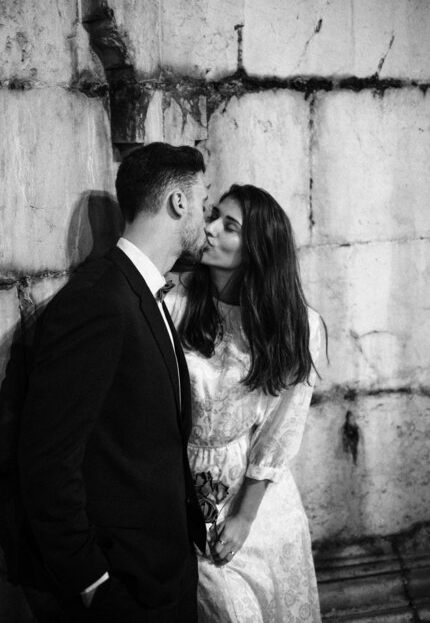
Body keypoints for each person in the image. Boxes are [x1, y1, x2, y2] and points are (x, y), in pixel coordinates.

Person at [18, 142, 208, 622]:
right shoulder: (98, 300)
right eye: (203, 204)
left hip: (168, 571)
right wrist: (94, 585)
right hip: (126, 588)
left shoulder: (143, 291)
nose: (205, 222)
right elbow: (48, 461)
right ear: (178, 203)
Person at [166, 184, 323, 622]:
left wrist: (244, 519)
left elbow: (279, 432)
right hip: (179, 483)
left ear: (257, 249)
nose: (209, 229)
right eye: (212, 216)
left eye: (228, 226)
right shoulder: (176, 301)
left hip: (249, 493)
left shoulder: (295, 323)